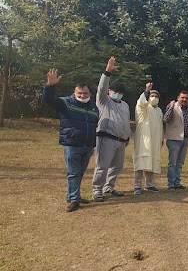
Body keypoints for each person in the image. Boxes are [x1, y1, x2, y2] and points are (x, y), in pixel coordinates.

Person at [42, 69, 99, 212]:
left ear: (90, 94)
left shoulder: (93, 107)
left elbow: (93, 126)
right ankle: (74, 199)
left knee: (80, 172)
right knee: (73, 172)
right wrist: (50, 86)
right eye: (79, 93)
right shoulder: (67, 103)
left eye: (85, 93)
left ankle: (72, 195)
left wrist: (92, 145)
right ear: (75, 93)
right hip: (72, 144)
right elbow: (49, 100)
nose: (82, 95)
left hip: (87, 145)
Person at [92, 57, 131, 202]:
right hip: (106, 138)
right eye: (115, 91)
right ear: (110, 91)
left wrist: (127, 137)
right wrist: (107, 72)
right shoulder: (104, 101)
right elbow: (101, 87)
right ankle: (97, 190)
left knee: (117, 166)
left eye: (120, 92)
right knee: (102, 166)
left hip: (121, 141)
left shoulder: (125, 105)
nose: (118, 93)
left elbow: (126, 122)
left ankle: (109, 186)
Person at [133, 83, 163, 195]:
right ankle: (137, 186)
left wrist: (161, 139)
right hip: (143, 140)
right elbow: (141, 103)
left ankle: (149, 184)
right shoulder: (143, 108)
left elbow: (160, 126)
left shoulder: (159, 110)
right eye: (152, 95)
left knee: (152, 162)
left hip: (155, 140)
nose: (154, 98)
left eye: (156, 96)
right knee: (141, 162)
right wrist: (146, 91)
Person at [163, 91, 188, 190]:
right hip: (174, 139)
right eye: (182, 98)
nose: (184, 100)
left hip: (185, 139)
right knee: (172, 163)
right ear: (178, 98)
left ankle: (177, 182)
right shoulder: (173, 106)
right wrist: (171, 107)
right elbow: (166, 119)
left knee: (180, 163)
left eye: (186, 98)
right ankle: (171, 184)